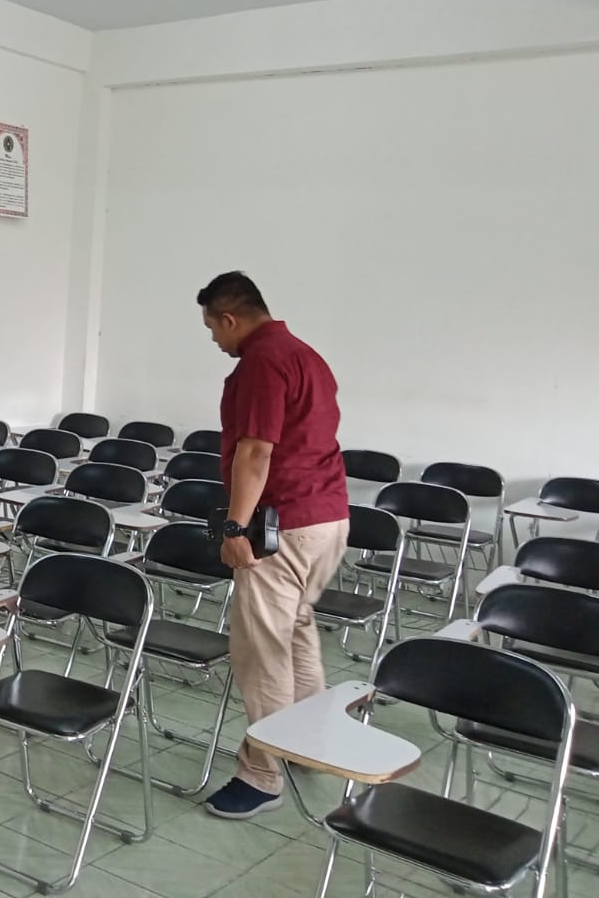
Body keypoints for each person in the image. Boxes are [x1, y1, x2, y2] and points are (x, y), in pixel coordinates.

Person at [195, 272, 349, 818]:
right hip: (327, 519)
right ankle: (307, 742)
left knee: (261, 650)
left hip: (283, 524)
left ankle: (261, 776)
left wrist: (236, 529)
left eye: (213, 328)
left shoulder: (262, 361)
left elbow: (256, 451)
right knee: (296, 628)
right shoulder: (306, 355)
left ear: (229, 318)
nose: (215, 340)